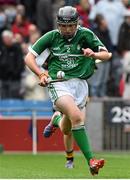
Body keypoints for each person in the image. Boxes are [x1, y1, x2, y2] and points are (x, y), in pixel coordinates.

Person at [25, 6, 112, 175]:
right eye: (63, 26)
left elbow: (107, 55)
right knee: (77, 117)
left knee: (68, 128)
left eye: (71, 25)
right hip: (58, 82)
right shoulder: (52, 37)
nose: (67, 29)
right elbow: (29, 58)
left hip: (80, 84)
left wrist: (93, 54)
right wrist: (40, 74)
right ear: (58, 25)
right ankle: (91, 161)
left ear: (77, 23)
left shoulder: (85, 34)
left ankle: (56, 119)